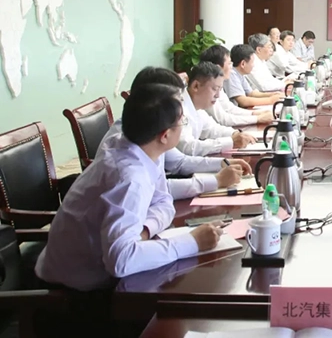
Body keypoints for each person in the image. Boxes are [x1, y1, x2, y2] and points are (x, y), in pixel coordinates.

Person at [36, 83, 223, 291]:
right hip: (73, 290)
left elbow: (163, 201)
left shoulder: (142, 148)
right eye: (182, 121)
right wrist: (192, 242)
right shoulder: (129, 178)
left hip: (100, 267)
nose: (184, 125)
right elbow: (121, 261)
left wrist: (144, 230)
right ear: (165, 135)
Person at [100, 66, 251, 200]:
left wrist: (222, 163)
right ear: (154, 101)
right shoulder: (131, 149)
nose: (181, 109)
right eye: (178, 101)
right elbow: (156, 192)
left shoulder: (151, 131)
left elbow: (178, 164)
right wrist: (216, 181)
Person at [178, 62, 256, 156]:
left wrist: (234, 133)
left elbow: (212, 129)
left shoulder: (197, 106)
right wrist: (230, 142)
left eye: (220, 89)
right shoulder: (178, 108)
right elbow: (187, 147)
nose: (217, 95)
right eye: (215, 89)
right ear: (196, 86)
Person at [199, 45, 274, 127]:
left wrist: (254, 113)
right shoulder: (207, 88)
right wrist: (257, 118)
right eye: (229, 63)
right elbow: (222, 119)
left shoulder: (217, 85)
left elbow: (230, 109)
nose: (231, 67)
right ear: (218, 68)